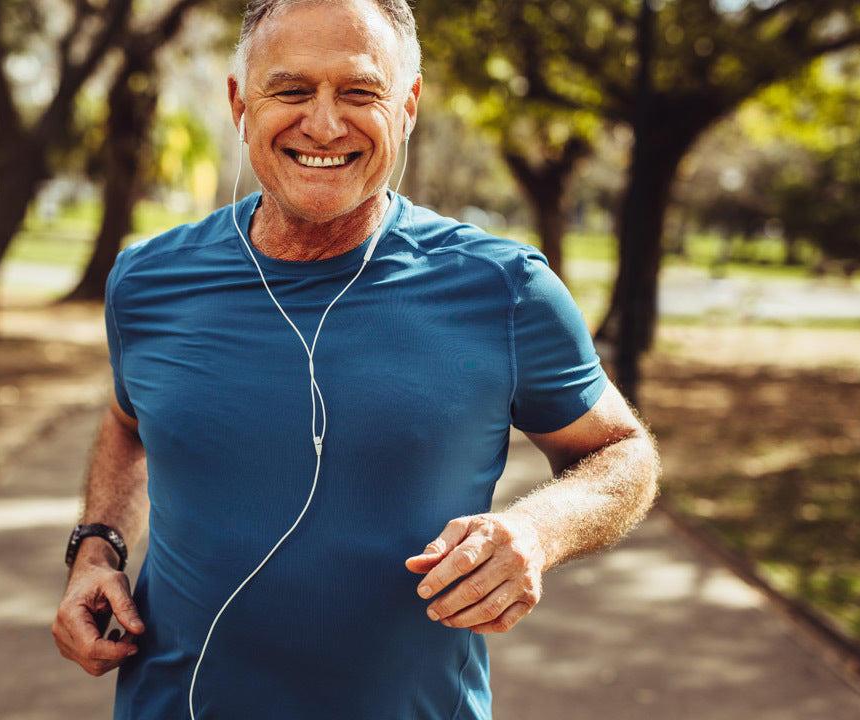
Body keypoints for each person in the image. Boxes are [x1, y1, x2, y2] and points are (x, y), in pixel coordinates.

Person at [52, 0, 660, 717]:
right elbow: (129, 421)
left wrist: (536, 533)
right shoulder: (147, 280)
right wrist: (96, 547)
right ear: (239, 101)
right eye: (291, 89)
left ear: (406, 106)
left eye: (360, 92)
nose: (325, 123)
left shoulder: (505, 287)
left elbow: (624, 455)